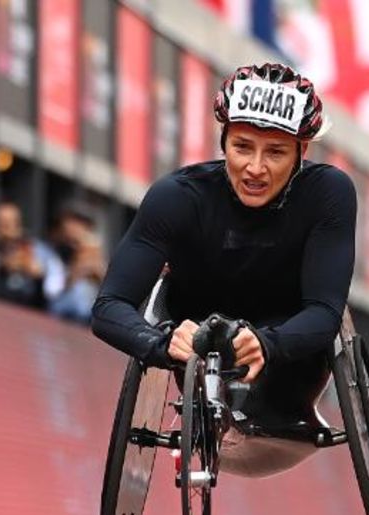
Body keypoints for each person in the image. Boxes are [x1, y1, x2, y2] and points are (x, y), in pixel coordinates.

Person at [91, 62, 354, 433]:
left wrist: (267, 343)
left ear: (302, 150)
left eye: (276, 153)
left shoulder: (329, 192)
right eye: (242, 147)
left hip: (288, 351)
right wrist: (161, 342)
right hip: (196, 339)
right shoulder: (177, 196)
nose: (255, 168)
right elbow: (107, 307)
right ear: (223, 140)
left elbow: (327, 312)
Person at [0, 201, 63, 310]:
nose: (4, 229)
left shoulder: (36, 251)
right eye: (1, 224)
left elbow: (54, 290)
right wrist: (2, 265)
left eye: (9, 224)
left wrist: (38, 275)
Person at [48, 205, 106, 323]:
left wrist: (98, 271)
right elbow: (52, 294)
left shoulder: (95, 258)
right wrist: (79, 270)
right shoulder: (52, 255)